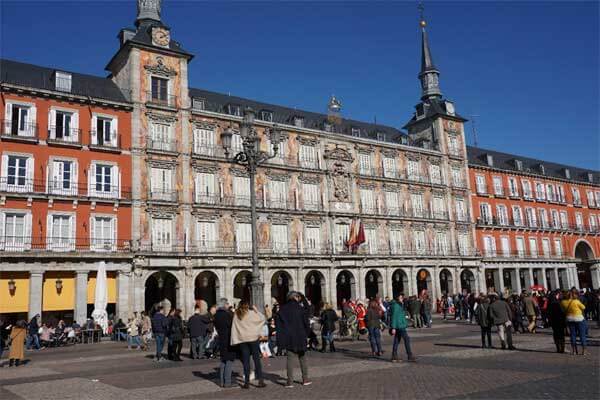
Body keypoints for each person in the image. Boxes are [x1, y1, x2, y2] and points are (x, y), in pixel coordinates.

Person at [276, 291, 312, 387]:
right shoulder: (300, 309)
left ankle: (290, 381)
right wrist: (308, 334)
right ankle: (305, 379)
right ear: (296, 297)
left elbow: (279, 327)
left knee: (290, 359)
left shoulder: (282, 310)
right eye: (298, 297)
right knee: (303, 358)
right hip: (300, 336)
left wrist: (280, 341)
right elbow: (307, 321)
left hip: (289, 337)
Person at [231, 300, 266, 389]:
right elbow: (262, 318)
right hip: (253, 339)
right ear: (248, 306)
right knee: (256, 360)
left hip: (243, 340)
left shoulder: (237, 314)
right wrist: (256, 310)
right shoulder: (251, 313)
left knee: (246, 361)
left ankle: (246, 382)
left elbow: (234, 328)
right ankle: (260, 380)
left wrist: (235, 339)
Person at [214, 298, 236, 388]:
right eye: (227, 303)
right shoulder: (226, 315)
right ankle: (227, 382)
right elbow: (232, 326)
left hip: (221, 339)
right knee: (229, 361)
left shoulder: (216, 315)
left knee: (223, 360)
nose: (228, 305)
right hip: (228, 340)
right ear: (224, 304)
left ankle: (222, 381)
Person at [389, 293, 416, 362]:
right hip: (399, 326)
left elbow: (400, 315)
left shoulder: (399, 305)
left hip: (400, 324)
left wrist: (406, 318)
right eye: (401, 298)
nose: (402, 299)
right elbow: (394, 317)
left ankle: (394, 355)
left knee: (396, 340)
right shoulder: (396, 306)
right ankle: (409, 355)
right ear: (397, 298)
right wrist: (393, 327)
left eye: (402, 298)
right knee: (406, 339)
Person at [561, 289, 587, 355]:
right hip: (579, 319)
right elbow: (583, 307)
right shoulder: (576, 301)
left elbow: (563, 310)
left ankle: (574, 351)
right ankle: (584, 351)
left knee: (572, 335)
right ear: (571, 295)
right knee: (582, 335)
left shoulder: (563, 302)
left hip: (569, 319)